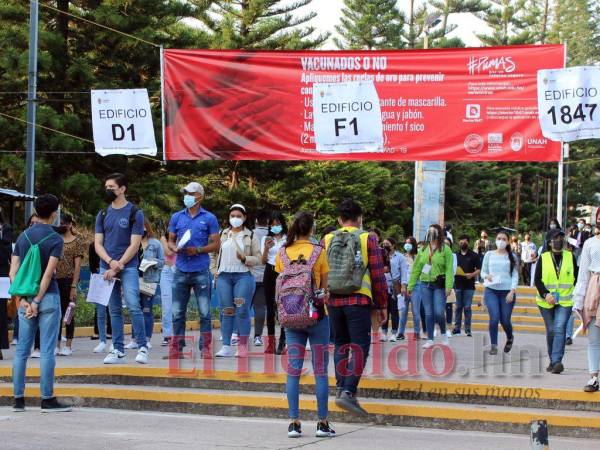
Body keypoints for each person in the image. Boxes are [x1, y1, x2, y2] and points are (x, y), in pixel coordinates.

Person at [323, 199, 387, 416]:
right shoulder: (367, 237)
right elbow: (378, 274)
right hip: (358, 300)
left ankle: (342, 388)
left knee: (341, 343)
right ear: (360, 218)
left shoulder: (328, 238)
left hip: (333, 300)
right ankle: (348, 392)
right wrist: (382, 305)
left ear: (339, 219)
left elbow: (320, 270)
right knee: (360, 346)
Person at [275, 212, 335, 438]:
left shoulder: (282, 252)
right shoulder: (319, 252)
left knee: (293, 371)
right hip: (317, 315)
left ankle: (294, 423)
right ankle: (322, 423)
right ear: (311, 229)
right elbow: (325, 289)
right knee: (320, 370)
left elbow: (282, 284)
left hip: (291, 317)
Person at [11, 194, 71, 412]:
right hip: (49, 298)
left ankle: (18, 399)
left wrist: (25, 301)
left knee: (21, 352)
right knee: (46, 350)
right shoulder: (56, 239)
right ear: (54, 214)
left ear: (35, 211)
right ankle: (47, 399)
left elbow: (13, 273)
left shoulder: (23, 236)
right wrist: (37, 301)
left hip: (24, 300)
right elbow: (48, 275)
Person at [94, 173, 148, 364]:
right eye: (106, 187)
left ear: (122, 188)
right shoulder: (102, 213)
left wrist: (118, 266)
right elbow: (98, 244)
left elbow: (134, 245)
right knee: (114, 309)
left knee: (134, 305)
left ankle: (142, 346)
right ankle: (117, 349)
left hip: (128, 267)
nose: (108, 190)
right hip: (106, 267)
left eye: (111, 187)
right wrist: (110, 262)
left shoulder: (135, 212)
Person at [167, 181, 220, 359]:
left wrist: (198, 250)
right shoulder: (176, 217)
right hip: (181, 269)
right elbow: (170, 240)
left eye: (190, 193)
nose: (187, 196)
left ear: (200, 196)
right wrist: (174, 248)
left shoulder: (210, 218)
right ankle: (177, 349)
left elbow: (216, 244)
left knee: (205, 312)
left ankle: (205, 348)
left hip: (201, 270)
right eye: (186, 193)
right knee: (177, 312)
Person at [215, 204, 261, 358]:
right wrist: (214, 270)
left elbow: (259, 258)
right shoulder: (223, 234)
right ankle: (226, 346)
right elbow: (214, 253)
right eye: (232, 216)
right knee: (227, 311)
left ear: (245, 218)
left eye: (239, 216)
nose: (235, 219)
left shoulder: (251, 235)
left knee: (242, 310)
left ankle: (242, 347)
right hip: (224, 277)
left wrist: (245, 258)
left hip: (243, 276)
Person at [534, 229, 577, 374]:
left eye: (561, 237)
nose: (559, 239)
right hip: (546, 301)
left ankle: (556, 361)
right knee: (551, 330)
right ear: (550, 241)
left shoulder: (570, 257)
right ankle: (553, 361)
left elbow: (576, 278)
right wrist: (546, 294)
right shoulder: (544, 257)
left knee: (559, 329)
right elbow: (537, 280)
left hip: (565, 301)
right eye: (556, 237)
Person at [408, 224, 454, 349]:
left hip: (439, 284)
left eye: (433, 231)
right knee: (428, 313)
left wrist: (448, 286)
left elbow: (449, 269)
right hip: (424, 284)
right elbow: (416, 269)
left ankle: (444, 332)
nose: (430, 233)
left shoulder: (446, 249)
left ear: (438, 233)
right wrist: (411, 286)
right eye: (429, 231)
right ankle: (429, 339)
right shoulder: (423, 250)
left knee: (439, 312)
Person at [481, 230, 518, 355]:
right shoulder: (489, 254)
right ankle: (494, 345)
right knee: (494, 317)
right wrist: (487, 276)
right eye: (498, 238)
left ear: (508, 241)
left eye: (503, 239)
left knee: (505, 320)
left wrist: (512, 291)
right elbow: (482, 272)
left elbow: (514, 275)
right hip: (491, 290)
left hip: (507, 291)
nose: (501, 241)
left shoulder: (512, 256)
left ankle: (510, 337)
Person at [573, 221, 600, 392]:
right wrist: (578, 301)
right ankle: (594, 377)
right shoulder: (590, 243)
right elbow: (583, 274)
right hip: (593, 290)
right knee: (594, 338)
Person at [129, 219, 164, 349]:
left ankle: (147, 338)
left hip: (149, 280)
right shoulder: (132, 242)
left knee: (147, 309)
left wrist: (151, 261)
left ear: (147, 228)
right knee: (134, 309)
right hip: (133, 279)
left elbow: (162, 262)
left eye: (143, 227)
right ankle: (134, 339)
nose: (141, 229)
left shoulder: (155, 244)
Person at [54, 213, 85, 356]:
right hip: (54, 280)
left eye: (64, 223)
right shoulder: (55, 239)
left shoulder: (76, 242)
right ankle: (56, 344)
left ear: (70, 224)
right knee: (56, 314)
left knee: (69, 313)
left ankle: (68, 345)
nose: (62, 225)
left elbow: (77, 266)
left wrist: (74, 285)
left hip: (68, 280)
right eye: (60, 223)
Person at [261, 211, 288, 354]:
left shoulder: (288, 238)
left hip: (283, 272)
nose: (275, 226)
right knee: (270, 308)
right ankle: (271, 342)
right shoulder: (266, 238)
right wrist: (266, 248)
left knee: (283, 306)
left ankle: (283, 342)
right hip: (269, 271)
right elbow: (262, 260)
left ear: (282, 223)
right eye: (272, 224)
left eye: (277, 223)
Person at [453, 235, 481, 337]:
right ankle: (457, 328)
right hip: (458, 284)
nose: (462, 244)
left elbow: (478, 269)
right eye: (460, 242)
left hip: (469, 286)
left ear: (468, 243)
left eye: (464, 242)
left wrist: (472, 275)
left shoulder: (474, 255)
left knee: (467, 307)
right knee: (458, 307)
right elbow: (451, 268)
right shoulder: (455, 255)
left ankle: (468, 329)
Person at [381, 238, 408, 342]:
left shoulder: (400, 257)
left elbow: (404, 272)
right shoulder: (381, 256)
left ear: (393, 245)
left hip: (395, 285)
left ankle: (394, 332)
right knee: (384, 310)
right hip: (383, 285)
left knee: (394, 310)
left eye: (387, 244)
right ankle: (383, 332)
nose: (385, 246)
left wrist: (403, 285)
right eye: (383, 244)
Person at [251, 210, 270, 347]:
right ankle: (257, 336)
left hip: (249, 275)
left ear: (256, 221)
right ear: (268, 222)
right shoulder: (271, 236)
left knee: (243, 307)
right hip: (265, 276)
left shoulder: (250, 234)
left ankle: (238, 334)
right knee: (260, 307)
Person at [89, 242, 112, 352]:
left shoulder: (112, 242)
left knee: (114, 311)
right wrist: (97, 277)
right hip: (99, 277)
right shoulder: (93, 245)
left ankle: (115, 341)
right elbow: (92, 265)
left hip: (113, 276)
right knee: (100, 311)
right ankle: (102, 341)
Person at [398, 237, 422, 340]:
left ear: (413, 245)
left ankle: (417, 332)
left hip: (416, 286)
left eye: (409, 243)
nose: (407, 245)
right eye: (406, 242)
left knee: (415, 311)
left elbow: (425, 269)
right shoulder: (402, 257)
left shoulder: (418, 257)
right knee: (403, 312)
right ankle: (400, 333)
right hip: (404, 285)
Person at [159, 227, 176, 346]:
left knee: (179, 307)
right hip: (166, 271)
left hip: (180, 271)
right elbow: (165, 253)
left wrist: (163, 241)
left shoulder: (181, 240)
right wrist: (164, 241)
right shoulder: (163, 241)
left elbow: (170, 252)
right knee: (167, 306)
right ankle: (167, 335)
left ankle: (179, 334)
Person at [0, 209, 13, 359]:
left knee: (1, 311)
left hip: (1, 274)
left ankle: (1, 346)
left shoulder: (6, 228)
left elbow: (7, 252)